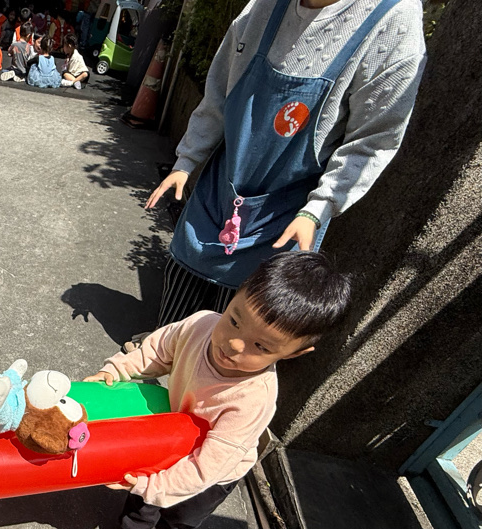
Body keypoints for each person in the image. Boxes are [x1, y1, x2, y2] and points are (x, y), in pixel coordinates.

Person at [134, 0, 426, 339]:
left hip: (288, 218)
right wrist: (186, 160)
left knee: (239, 336)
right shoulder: (262, 7)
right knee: (177, 309)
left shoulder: (393, 18)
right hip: (219, 192)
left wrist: (319, 209)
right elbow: (218, 93)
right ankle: (161, 356)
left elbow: (373, 140)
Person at [86, 251, 351, 529]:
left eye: (261, 346)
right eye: (235, 320)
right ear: (235, 295)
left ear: (295, 353)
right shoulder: (201, 325)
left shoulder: (253, 399)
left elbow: (206, 468)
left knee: (185, 509)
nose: (234, 344)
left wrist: (150, 486)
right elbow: (157, 351)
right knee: (142, 499)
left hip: (216, 468)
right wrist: (117, 370)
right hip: (171, 435)